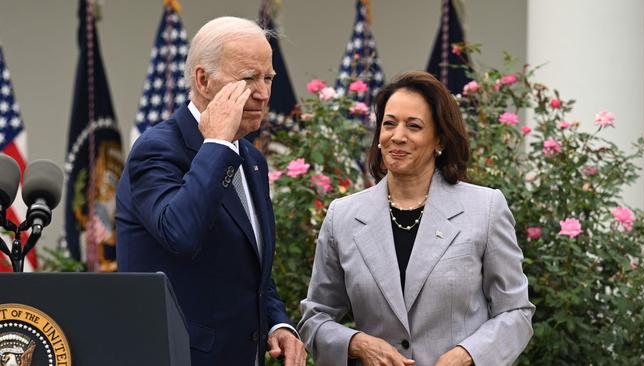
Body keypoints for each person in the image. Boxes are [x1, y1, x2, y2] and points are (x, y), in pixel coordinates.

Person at [298, 71, 535, 366]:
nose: (398, 136)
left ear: (439, 139)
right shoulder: (342, 216)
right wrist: (357, 343)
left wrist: (467, 356)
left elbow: (515, 312)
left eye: (414, 126)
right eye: (389, 124)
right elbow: (316, 317)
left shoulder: (485, 208)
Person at [116, 16, 306, 366]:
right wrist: (216, 141)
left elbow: (249, 267)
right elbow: (181, 234)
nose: (263, 93)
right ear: (203, 80)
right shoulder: (157, 149)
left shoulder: (250, 158)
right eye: (248, 78)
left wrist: (277, 321)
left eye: (268, 78)